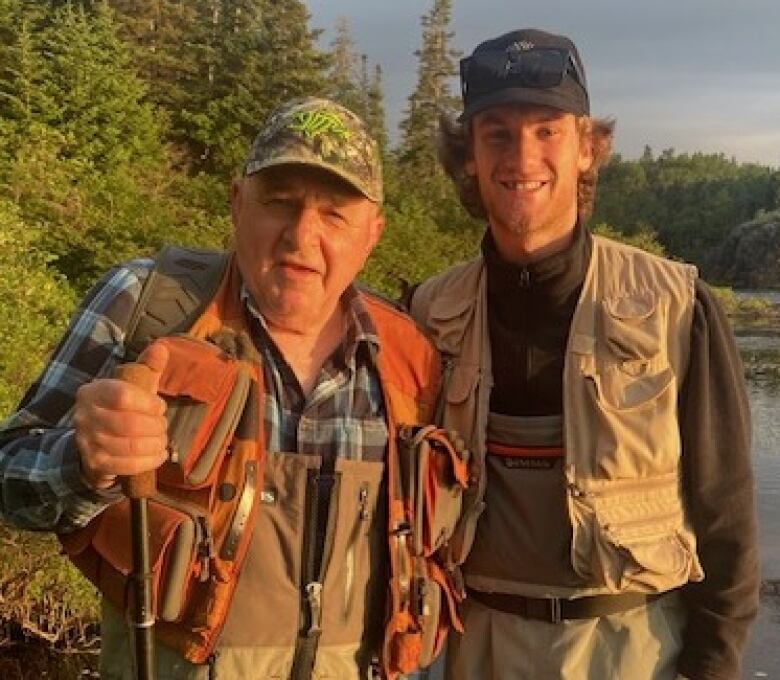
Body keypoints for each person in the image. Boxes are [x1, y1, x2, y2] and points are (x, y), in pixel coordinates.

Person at [0, 98, 460, 679]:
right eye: (280, 202)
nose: (302, 235)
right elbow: (9, 474)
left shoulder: (410, 361)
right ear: (237, 203)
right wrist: (80, 462)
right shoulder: (146, 303)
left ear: (372, 234)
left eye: (335, 214)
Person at [407, 28, 759, 680]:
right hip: (472, 644)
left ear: (588, 149)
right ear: (469, 157)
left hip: (635, 646)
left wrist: (713, 666)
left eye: (547, 131)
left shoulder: (679, 306)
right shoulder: (427, 313)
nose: (522, 155)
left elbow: (727, 516)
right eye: (498, 134)